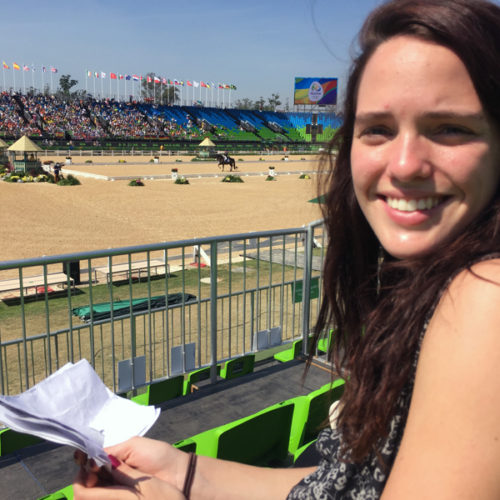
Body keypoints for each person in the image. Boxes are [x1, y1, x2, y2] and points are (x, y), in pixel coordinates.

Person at [73, 0, 500, 498]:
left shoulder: (484, 298)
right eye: (378, 129)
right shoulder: (432, 286)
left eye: (450, 127)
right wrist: (187, 474)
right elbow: (343, 484)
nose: (404, 165)